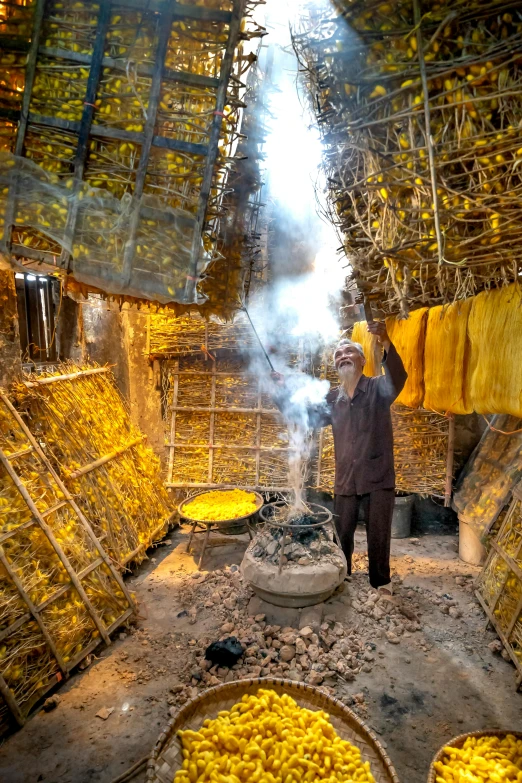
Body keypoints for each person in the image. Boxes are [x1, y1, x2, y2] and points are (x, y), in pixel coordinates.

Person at [271, 321, 407, 597]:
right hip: (346, 478)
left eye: (349, 352)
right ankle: (340, 577)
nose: (343, 356)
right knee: (341, 534)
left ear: (363, 360)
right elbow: (304, 416)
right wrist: (282, 390)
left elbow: (398, 376)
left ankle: (380, 582)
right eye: (338, 355)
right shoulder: (333, 398)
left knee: (378, 534)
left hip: (378, 476)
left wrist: (385, 340)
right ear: (336, 366)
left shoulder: (378, 388)